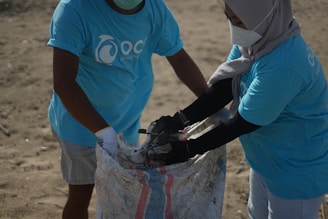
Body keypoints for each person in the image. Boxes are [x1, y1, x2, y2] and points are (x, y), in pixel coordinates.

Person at [145, 0, 328, 218]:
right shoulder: (260, 37)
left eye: (239, 21)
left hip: (296, 170)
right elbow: (226, 86)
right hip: (268, 158)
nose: (235, 28)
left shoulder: (284, 64)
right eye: (229, 18)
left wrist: (188, 149)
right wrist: (179, 119)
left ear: (262, 16)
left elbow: (242, 123)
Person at [47, 0, 208, 218]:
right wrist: (102, 131)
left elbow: (178, 57)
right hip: (80, 125)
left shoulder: (154, 9)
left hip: (126, 123)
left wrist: (209, 102)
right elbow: (64, 83)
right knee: (81, 195)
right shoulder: (75, 9)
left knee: (125, 195)